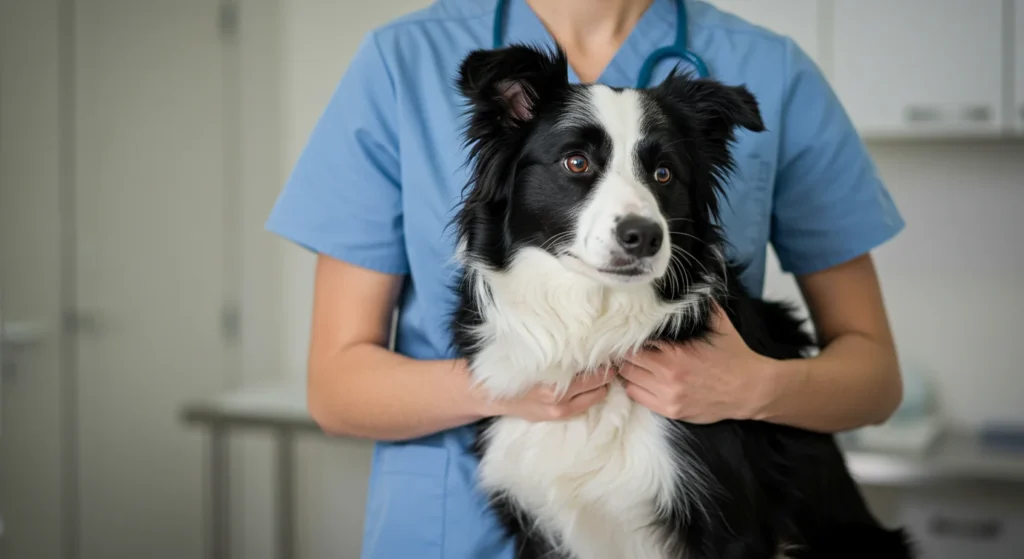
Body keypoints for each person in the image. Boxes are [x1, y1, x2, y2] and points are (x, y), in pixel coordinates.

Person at [265, 0, 906, 557]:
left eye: (660, 177)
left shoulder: (774, 67)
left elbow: (876, 383)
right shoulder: (400, 60)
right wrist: (504, 387)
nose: (638, 219)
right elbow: (335, 389)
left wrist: (752, 385)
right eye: (576, 161)